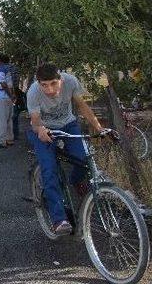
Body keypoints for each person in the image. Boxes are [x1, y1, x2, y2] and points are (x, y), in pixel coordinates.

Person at [27, 63, 105, 236]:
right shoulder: (33, 92)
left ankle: (76, 181)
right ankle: (59, 219)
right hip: (44, 129)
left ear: (60, 79)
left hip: (68, 125)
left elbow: (82, 106)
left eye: (53, 83)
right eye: (44, 85)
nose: (49, 89)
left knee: (83, 160)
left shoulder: (71, 82)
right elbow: (35, 121)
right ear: (38, 83)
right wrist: (40, 130)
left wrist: (99, 128)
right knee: (49, 169)